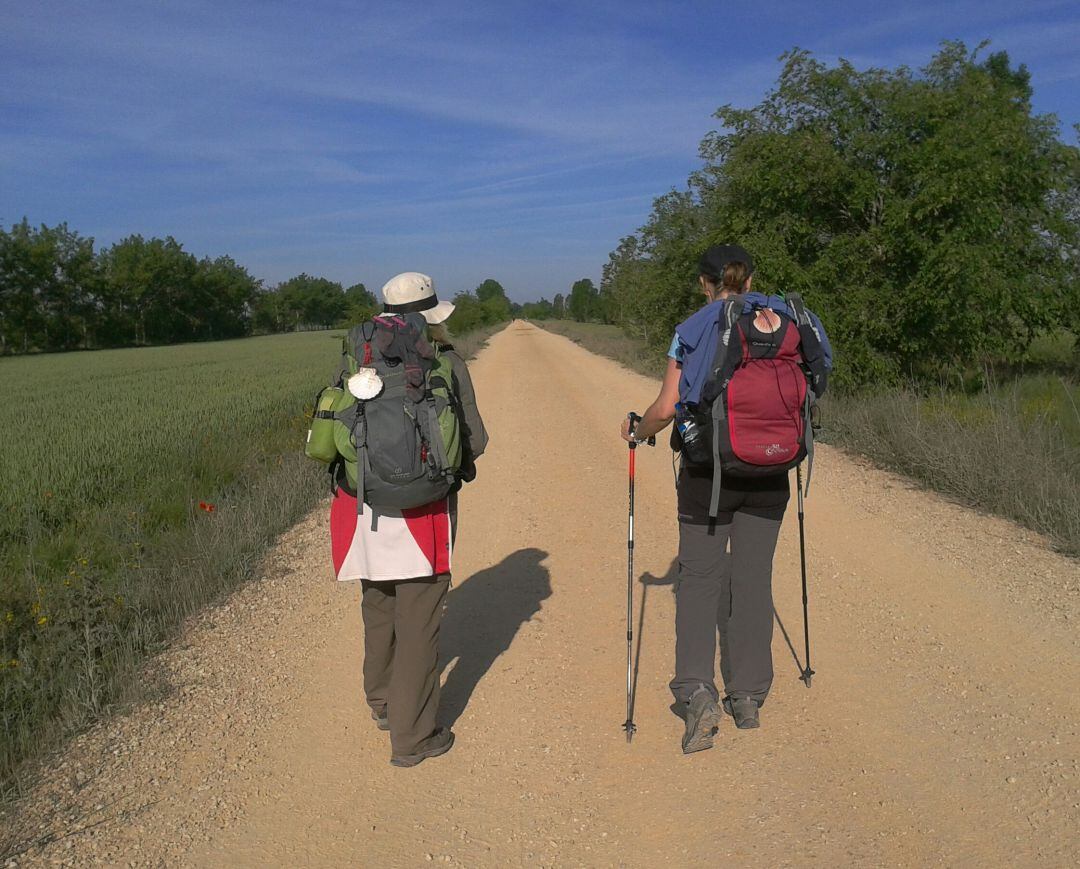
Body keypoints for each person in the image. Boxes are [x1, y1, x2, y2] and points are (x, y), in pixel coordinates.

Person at [620, 244, 831, 755]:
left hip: (708, 474)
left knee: (698, 582)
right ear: (752, 277)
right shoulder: (788, 317)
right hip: (772, 469)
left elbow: (667, 406)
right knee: (753, 580)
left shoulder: (694, 327)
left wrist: (637, 430)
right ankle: (749, 695)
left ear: (704, 283)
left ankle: (697, 692)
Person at [330, 271, 486, 768]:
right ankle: (413, 736)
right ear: (429, 316)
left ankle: (381, 703)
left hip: (358, 505)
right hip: (421, 512)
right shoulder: (444, 361)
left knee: (378, 605)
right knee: (420, 619)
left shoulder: (357, 356)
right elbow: (475, 441)